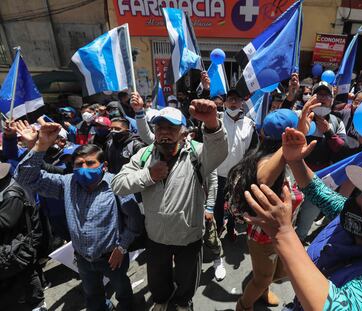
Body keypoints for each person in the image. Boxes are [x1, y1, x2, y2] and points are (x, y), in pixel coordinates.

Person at [243, 127, 362, 311]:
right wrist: (296, 160)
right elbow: (319, 191)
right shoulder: (350, 217)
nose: (355, 203)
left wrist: (283, 233)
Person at [111, 97, 228, 311]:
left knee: (187, 276)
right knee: (157, 277)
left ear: (182, 132)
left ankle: (183, 302)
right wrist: (148, 175)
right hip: (156, 236)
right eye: (160, 128)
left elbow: (219, 152)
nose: (164, 132)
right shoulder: (144, 155)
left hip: (188, 234)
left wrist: (213, 124)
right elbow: (118, 184)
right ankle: (161, 300)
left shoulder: (197, 153)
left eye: (171, 128)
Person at [15, 120, 142, 311]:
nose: (84, 168)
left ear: (104, 165)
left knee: (122, 289)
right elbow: (25, 177)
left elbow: (134, 220)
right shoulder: (67, 183)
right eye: (79, 164)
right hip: (83, 258)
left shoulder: (116, 184)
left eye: (90, 163)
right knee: (92, 295)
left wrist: (122, 248)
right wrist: (40, 146)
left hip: (113, 257)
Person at [227, 107, 315, 311]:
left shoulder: (291, 159)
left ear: (263, 134)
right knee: (264, 277)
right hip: (263, 236)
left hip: (285, 232)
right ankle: (244, 305)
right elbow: (264, 179)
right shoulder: (268, 162)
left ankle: (263, 287)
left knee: (279, 272)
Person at [295, 82, 347, 242]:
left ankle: (299, 243)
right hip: (295, 176)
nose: (322, 98)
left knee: (306, 220)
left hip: (320, 180)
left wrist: (328, 132)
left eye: (326, 95)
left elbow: (341, 150)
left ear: (332, 100)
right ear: (311, 97)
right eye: (319, 94)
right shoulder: (299, 116)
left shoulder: (337, 122)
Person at [0, 162, 45, 311]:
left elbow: (6, 221)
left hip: (21, 245)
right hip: (15, 243)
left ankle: (37, 304)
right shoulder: (6, 187)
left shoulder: (11, 193)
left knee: (27, 275)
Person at [215, 88, 258, 240]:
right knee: (218, 204)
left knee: (235, 205)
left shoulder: (250, 125)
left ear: (242, 103)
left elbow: (252, 152)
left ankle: (231, 228)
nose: (233, 102)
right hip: (218, 173)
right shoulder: (217, 120)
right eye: (230, 99)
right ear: (225, 102)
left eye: (237, 99)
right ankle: (218, 227)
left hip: (237, 175)